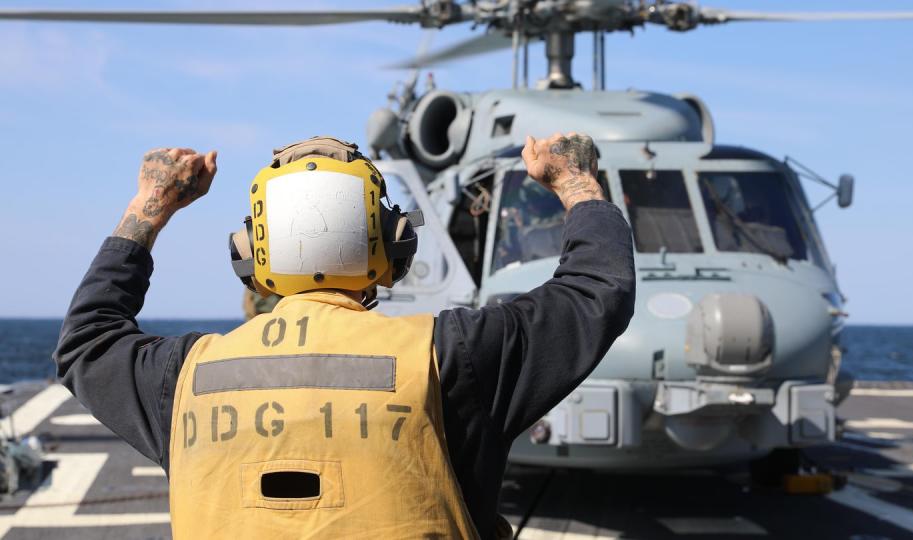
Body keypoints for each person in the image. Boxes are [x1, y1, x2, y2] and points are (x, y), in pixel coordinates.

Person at [54, 133, 635, 539]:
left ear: (249, 258)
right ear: (395, 247)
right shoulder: (453, 356)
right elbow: (596, 290)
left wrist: (151, 204)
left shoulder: (184, 377)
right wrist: (576, 182)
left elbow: (89, 340)